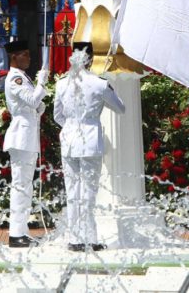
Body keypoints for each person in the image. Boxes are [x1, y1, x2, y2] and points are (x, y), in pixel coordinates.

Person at [53, 42, 125, 252]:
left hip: (68, 139)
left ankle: (74, 238)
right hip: (90, 140)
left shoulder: (62, 83)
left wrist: (70, 127)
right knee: (89, 191)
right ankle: (90, 238)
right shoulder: (99, 84)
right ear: (91, 59)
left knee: (72, 190)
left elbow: (58, 115)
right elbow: (120, 108)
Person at [3, 40, 49, 248]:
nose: (29, 59)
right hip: (21, 138)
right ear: (14, 57)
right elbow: (32, 101)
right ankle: (15, 234)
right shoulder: (15, 78)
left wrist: (39, 105)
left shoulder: (23, 77)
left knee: (26, 186)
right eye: (25, 55)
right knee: (21, 185)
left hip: (28, 137)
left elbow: (35, 105)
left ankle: (22, 230)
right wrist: (42, 83)